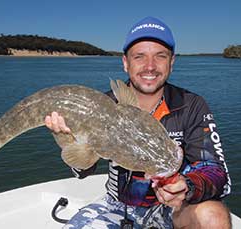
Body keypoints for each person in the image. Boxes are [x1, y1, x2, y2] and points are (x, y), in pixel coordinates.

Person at [45, 16, 232, 228]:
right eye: (139, 57)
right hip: (116, 205)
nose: (150, 66)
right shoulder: (102, 106)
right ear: (125, 62)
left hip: (176, 207)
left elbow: (217, 173)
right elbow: (83, 170)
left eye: (160, 56)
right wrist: (67, 139)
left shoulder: (191, 106)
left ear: (172, 62)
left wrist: (186, 186)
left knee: (213, 216)